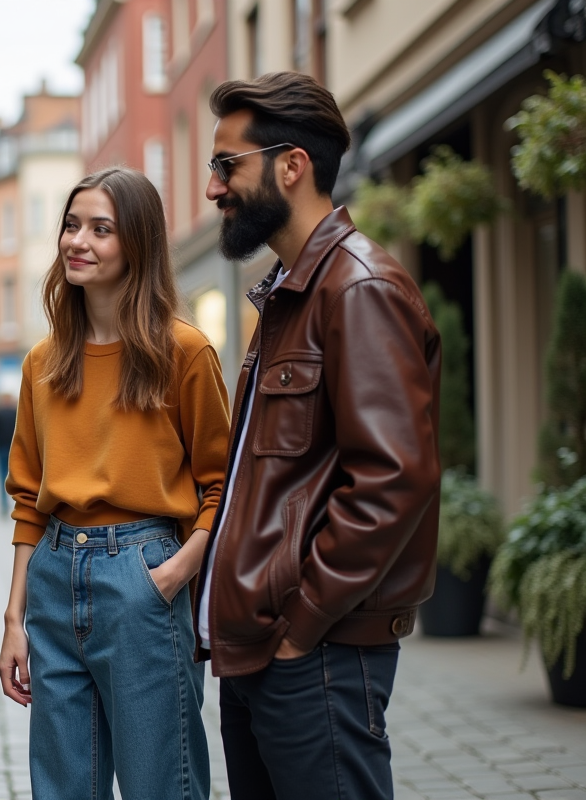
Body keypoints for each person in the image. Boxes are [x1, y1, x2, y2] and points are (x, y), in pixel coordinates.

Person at [195, 71, 442, 800]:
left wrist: (304, 622)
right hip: (264, 654)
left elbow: (395, 477)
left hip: (316, 654)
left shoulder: (360, 288)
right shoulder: (290, 293)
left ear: (291, 166)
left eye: (226, 165)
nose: (214, 189)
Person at [0, 167, 231, 800]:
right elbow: (26, 497)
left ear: (138, 244)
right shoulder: (43, 363)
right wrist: (15, 618)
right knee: (63, 788)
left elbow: (223, 482)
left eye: (102, 229)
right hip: (52, 579)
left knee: (162, 784)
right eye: (73, 225)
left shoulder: (183, 352)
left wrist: (178, 571)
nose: (80, 241)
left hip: (144, 579)